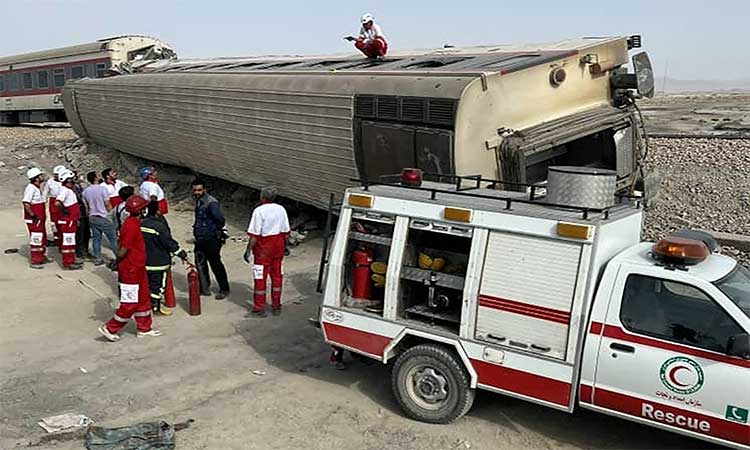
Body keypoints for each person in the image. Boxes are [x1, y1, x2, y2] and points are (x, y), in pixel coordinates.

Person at [98, 196, 163, 342]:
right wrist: (116, 262)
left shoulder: (133, 223)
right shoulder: (131, 226)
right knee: (130, 302)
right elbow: (123, 250)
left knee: (144, 298)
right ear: (141, 210)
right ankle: (110, 328)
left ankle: (144, 328)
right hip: (130, 270)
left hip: (138, 267)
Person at [244, 186, 290, 317]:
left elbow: (254, 235)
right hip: (278, 248)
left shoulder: (259, 211)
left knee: (260, 278)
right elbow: (286, 232)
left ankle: (259, 308)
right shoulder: (281, 209)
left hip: (263, 251)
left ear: (262, 197)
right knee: (277, 277)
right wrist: (285, 247)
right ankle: (276, 306)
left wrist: (248, 250)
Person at [141, 201, 188, 316]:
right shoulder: (159, 226)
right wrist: (181, 253)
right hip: (159, 262)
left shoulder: (141, 223)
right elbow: (168, 243)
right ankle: (156, 308)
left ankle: (146, 305)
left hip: (144, 261)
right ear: (158, 211)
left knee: (147, 284)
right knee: (158, 286)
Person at [191, 178, 230, 299]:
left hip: (211, 239)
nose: (197, 192)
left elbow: (220, 220)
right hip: (200, 238)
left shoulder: (210, 202)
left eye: (199, 190)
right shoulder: (199, 201)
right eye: (195, 190)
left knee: (215, 264)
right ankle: (205, 287)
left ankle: (224, 289)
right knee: (200, 262)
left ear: (204, 190)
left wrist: (212, 231)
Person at [83, 171, 118, 265]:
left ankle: (98, 258)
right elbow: (107, 204)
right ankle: (119, 257)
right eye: (98, 175)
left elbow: (86, 207)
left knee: (96, 238)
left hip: (92, 217)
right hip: (103, 216)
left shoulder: (85, 191)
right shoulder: (103, 189)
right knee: (113, 239)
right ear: (95, 178)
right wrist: (112, 215)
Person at [22, 168, 51, 269]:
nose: (43, 177)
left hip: (40, 219)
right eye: (41, 175)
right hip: (35, 219)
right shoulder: (30, 188)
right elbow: (26, 203)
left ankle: (41, 256)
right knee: (36, 239)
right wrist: (32, 215)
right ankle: (35, 260)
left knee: (42, 237)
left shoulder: (36, 187)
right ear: (37, 178)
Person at [55, 170, 83, 270]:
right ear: (68, 180)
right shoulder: (64, 190)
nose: (75, 181)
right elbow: (58, 203)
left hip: (72, 220)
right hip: (68, 221)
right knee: (68, 242)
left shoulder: (68, 190)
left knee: (71, 241)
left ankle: (71, 259)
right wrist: (65, 211)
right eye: (73, 179)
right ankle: (68, 262)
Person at [43, 165, 66, 248]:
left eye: (57, 174)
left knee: (64, 221)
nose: (55, 176)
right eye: (55, 174)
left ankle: (65, 239)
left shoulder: (65, 181)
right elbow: (45, 193)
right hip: (53, 202)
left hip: (63, 202)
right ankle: (57, 240)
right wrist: (43, 203)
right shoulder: (50, 181)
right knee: (54, 222)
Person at [72, 171, 91, 261]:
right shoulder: (71, 190)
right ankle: (80, 252)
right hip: (78, 213)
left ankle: (85, 250)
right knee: (80, 233)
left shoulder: (79, 187)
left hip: (83, 212)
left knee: (86, 233)